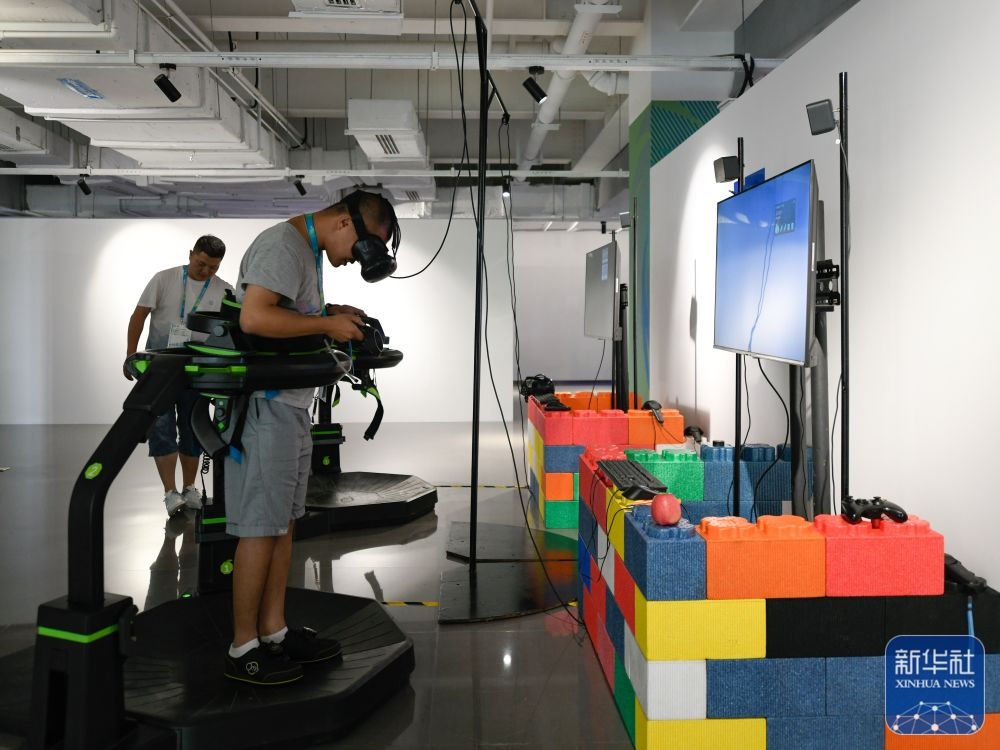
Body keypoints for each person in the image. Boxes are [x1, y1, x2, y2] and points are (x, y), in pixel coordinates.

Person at [223, 190, 400, 686]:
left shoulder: (307, 250)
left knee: (282, 526)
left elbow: (287, 314)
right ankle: (243, 648)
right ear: (344, 223)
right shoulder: (283, 244)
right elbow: (254, 317)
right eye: (362, 248)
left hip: (291, 407)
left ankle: (273, 631)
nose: (356, 260)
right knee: (260, 529)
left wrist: (331, 310)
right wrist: (325, 322)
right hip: (268, 407)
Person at [125, 235, 233, 516]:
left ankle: (189, 487)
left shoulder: (224, 290)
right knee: (161, 429)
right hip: (159, 365)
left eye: (213, 267)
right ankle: (170, 492)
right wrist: (130, 355)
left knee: (192, 427)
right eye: (201, 264)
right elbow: (138, 316)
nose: (206, 271)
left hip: (197, 366)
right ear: (191, 254)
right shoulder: (164, 279)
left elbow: (229, 332)